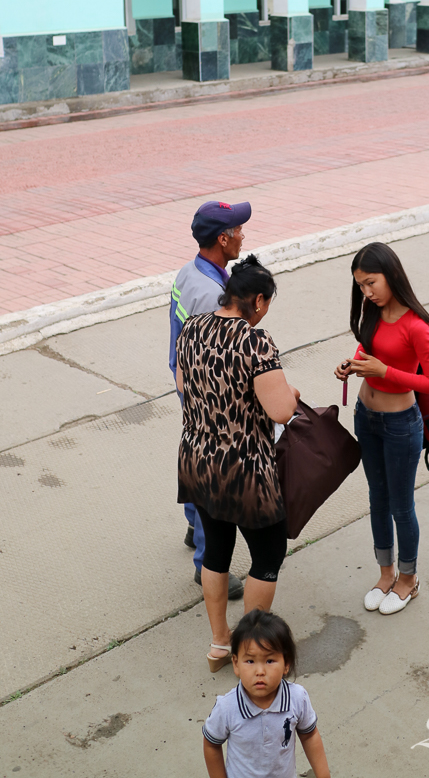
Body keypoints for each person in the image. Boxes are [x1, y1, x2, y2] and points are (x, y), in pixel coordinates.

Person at [177, 255, 299, 671]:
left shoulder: (192, 328)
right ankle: (250, 647)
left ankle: (218, 643)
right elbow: (282, 411)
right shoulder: (255, 342)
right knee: (268, 555)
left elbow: (182, 383)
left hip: (198, 460)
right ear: (258, 301)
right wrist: (290, 393)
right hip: (244, 470)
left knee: (216, 552)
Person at [334, 242, 429, 617]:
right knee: (376, 499)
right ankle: (386, 574)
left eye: (371, 283)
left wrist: (386, 372)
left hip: (400, 425)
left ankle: (409, 579)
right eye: (360, 286)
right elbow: (369, 350)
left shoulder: (418, 326)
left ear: (391, 275)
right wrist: (354, 364)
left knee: (401, 505)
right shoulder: (372, 312)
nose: (366, 292)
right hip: (366, 416)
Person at [169, 199, 252, 601]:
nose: (242, 235)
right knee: (212, 468)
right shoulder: (210, 294)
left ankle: (192, 525)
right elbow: (218, 354)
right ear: (222, 238)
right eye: (237, 230)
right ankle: (207, 564)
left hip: (186, 380)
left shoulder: (191, 272)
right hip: (206, 389)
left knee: (196, 450)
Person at [203, 610, 331, 778]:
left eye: (270, 661)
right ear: (236, 664)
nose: (260, 671)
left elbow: (309, 736)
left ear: (287, 664)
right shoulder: (227, 707)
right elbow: (211, 744)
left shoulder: (297, 698)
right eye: (250, 661)